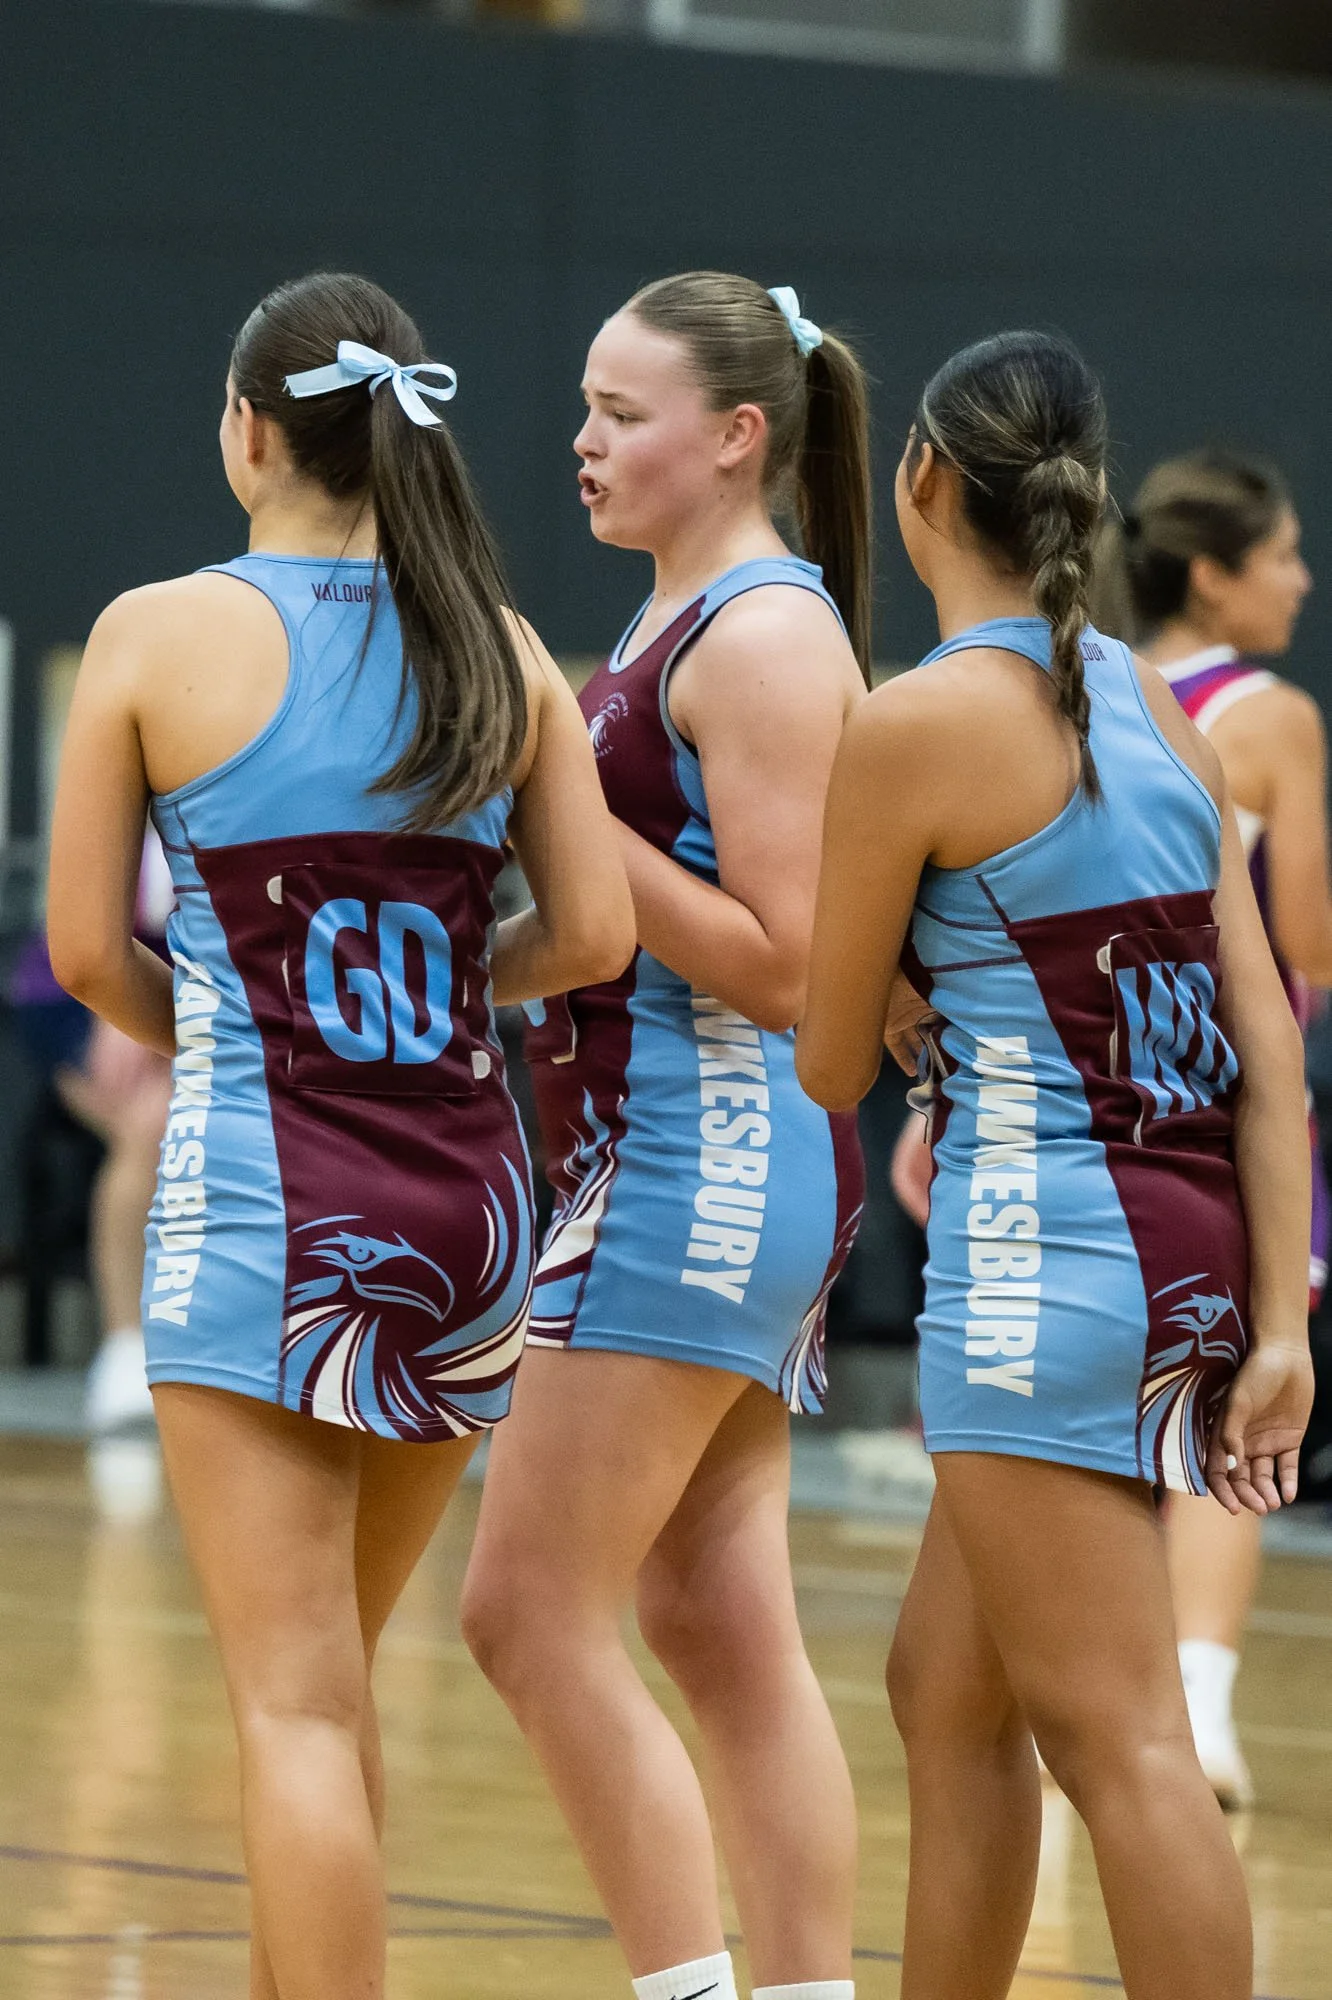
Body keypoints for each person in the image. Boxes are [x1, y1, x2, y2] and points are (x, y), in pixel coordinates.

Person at [46, 270, 633, 2000]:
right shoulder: (501, 644)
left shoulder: (156, 632)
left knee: (291, 1703)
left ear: (248, 431)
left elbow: (84, 951)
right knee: (331, 1682)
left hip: (273, 1205)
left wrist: (243, 1029)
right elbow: (594, 934)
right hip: (472, 1210)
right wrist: (438, 1006)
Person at [797, 330, 1313, 2000]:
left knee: (1124, 1742)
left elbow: (826, 1059)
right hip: (1187, 1248)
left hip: (1046, 1266)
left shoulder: (917, 721)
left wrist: (892, 1000)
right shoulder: (1155, 705)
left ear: (925, 480)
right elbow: (1270, 1041)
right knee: (946, 1692)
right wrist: (1284, 1326)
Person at [461, 273, 869, 2000]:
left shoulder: (763, 637)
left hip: (706, 1154)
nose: (582, 439)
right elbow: (618, 923)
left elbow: (790, 967)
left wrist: (559, 799)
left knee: (524, 1613)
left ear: (737, 436)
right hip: (694, 1157)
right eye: (585, 404)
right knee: (716, 1624)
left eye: (622, 414)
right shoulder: (672, 620)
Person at [1092, 448, 1327, 1807]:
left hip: (1090, 1091)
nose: (1301, 579)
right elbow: (1308, 940)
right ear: (1215, 574)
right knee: (1237, 1405)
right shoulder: (1269, 714)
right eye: (1284, 554)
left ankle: (1077, 1691)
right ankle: (1198, 1707)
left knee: (1087, 1409)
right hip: (1234, 1105)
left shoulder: (1090, 687)